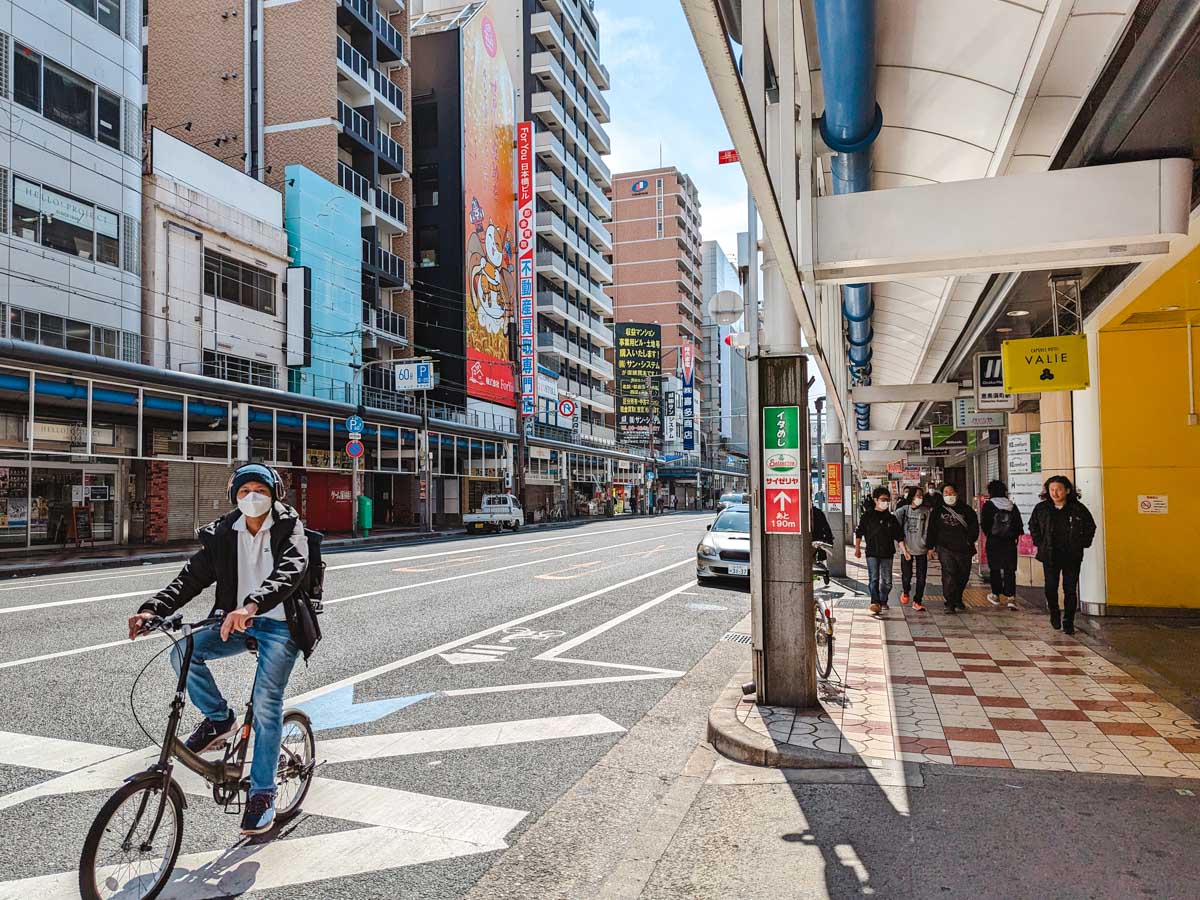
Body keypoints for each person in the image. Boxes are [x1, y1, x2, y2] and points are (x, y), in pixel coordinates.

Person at [127, 464, 313, 837]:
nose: (252, 497)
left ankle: (263, 793)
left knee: (265, 704)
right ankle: (218, 718)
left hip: (279, 625)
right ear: (234, 498)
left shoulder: (289, 527)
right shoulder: (225, 535)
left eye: (259, 489)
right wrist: (153, 609)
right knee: (183, 653)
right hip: (235, 621)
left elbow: (292, 569)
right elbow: (190, 578)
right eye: (244, 492)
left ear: (275, 493)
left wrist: (251, 606)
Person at [1028, 475, 1096, 634]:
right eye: (1051, 490)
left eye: (1058, 489)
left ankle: (1069, 621)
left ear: (1067, 490)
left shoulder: (1077, 508)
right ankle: (1054, 612)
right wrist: (1040, 542)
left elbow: (1090, 526)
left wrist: (1083, 543)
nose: (1055, 493)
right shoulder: (1042, 508)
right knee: (1050, 587)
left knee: (1070, 589)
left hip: (1072, 555)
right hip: (1050, 554)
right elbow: (1033, 526)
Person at [854, 486, 908, 615]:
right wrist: (857, 548)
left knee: (887, 582)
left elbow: (899, 536)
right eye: (883, 499)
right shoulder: (867, 516)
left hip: (887, 553)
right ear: (876, 500)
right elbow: (859, 532)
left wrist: (905, 551)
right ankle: (875, 602)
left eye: (887, 500)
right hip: (872, 552)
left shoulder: (891, 518)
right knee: (874, 579)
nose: (886, 502)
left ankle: (883, 600)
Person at [926, 483, 979, 614]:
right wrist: (930, 547)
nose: (948, 495)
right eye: (945, 493)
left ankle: (958, 598)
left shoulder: (967, 510)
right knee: (949, 574)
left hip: (964, 549)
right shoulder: (937, 511)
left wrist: (969, 541)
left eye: (951, 492)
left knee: (963, 575)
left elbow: (974, 528)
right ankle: (949, 602)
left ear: (956, 494)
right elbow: (931, 530)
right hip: (945, 548)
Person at [980, 479, 1024, 611]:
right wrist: (1013, 537)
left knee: (995, 568)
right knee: (1010, 569)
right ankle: (1011, 598)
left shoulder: (988, 506)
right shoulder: (1012, 506)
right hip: (1009, 543)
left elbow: (985, 524)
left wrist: (992, 535)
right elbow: (1018, 525)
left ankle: (996, 595)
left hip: (994, 541)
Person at [894, 486, 933, 611]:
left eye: (921, 496)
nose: (919, 498)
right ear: (911, 496)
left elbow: (930, 530)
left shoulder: (926, 512)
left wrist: (929, 546)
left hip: (922, 548)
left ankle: (917, 600)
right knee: (907, 576)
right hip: (906, 549)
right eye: (917, 495)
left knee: (921, 577)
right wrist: (903, 548)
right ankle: (906, 591)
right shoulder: (902, 511)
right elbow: (897, 530)